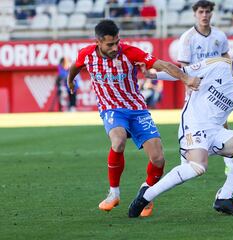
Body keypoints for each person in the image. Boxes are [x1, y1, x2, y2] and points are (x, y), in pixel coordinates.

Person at [67, 19, 200, 217]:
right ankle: (114, 193)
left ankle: (146, 193)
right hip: (111, 108)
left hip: (137, 109)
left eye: (117, 42)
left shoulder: (130, 52)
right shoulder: (86, 54)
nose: (115, 47)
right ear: (98, 42)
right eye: (110, 44)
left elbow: (161, 64)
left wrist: (185, 78)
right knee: (118, 140)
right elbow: (75, 67)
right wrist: (70, 81)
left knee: (158, 158)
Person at [128, 38, 233, 217]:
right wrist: (152, 75)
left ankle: (225, 198)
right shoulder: (218, 65)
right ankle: (146, 196)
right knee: (198, 167)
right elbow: (184, 72)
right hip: (193, 124)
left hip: (216, 131)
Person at [177, 0, 233, 174]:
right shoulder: (188, 38)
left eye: (207, 12)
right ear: (195, 13)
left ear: (212, 13)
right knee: (189, 123)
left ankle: (229, 163)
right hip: (197, 87)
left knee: (222, 122)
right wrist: (188, 84)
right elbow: (183, 66)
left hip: (216, 87)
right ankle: (185, 158)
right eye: (201, 12)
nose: (204, 15)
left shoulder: (219, 36)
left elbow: (226, 58)